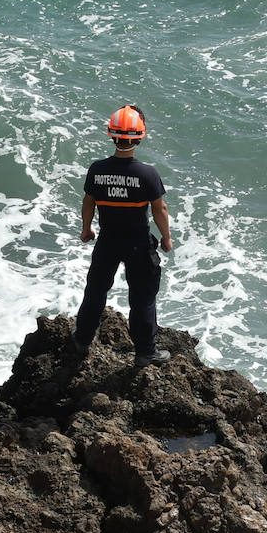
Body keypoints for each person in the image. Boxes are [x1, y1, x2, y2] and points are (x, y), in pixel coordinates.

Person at [72, 104, 174, 366]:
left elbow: (89, 202)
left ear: (111, 135)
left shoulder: (98, 169)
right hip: (138, 243)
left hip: (108, 240)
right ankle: (145, 353)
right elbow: (159, 209)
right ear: (140, 136)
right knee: (142, 297)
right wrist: (166, 238)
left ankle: (82, 341)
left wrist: (86, 229)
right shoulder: (147, 173)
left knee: (95, 291)